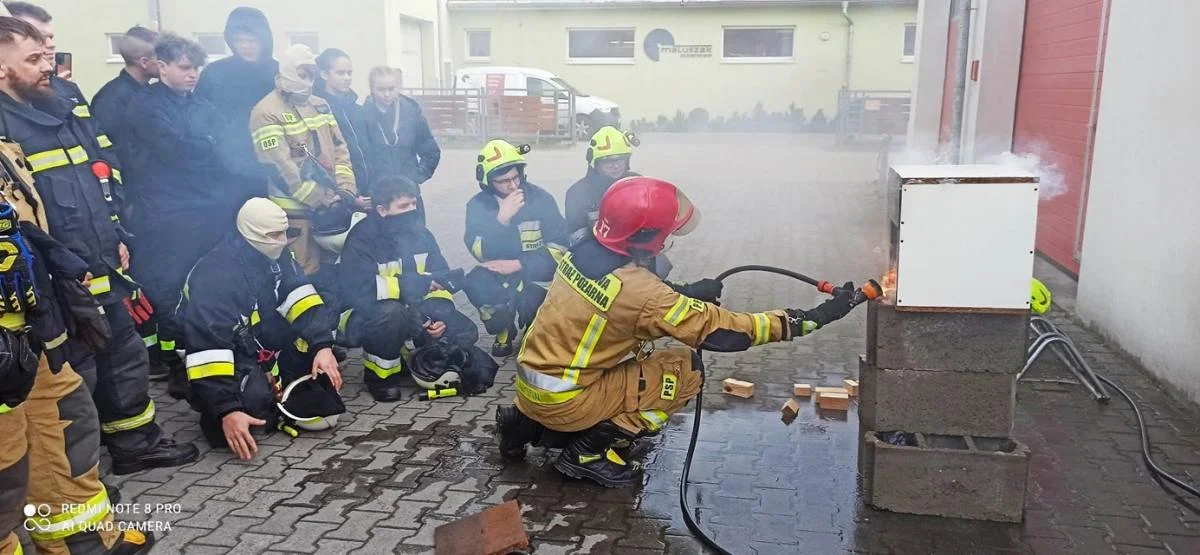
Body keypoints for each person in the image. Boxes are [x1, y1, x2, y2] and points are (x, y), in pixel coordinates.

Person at [495, 176, 862, 488]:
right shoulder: (642, 293)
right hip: (568, 402)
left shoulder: (580, 251)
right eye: (666, 233)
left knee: (614, 362)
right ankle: (588, 453)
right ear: (644, 237)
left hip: (530, 391)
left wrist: (685, 292)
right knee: (685, 370)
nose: (668, 239)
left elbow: (621, 298)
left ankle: (524, 426)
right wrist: (815, 316)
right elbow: (726, 332)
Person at [0, 14, 197, 475]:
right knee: (76, 375)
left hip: (101, 256)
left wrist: (117, 235)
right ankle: (78, 476)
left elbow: (98, 175)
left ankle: (136, 443)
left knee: (124, 353)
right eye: (33, 57)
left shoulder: (60, 103)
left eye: (47, 48)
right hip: (55, 278)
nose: (47, 62)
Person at [0, 15, 154, 554]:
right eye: (35, 57)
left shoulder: (40, 117)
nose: (51, 63)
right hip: (11, 338)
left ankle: (80, 542)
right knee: (6, 469)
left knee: (64, 426)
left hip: (38, 321)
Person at [123, 34, 242, 401]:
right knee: (168, 289)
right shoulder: (144, 105)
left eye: (197, 68)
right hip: (167, 214)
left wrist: (206, 146)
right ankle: (175, 364)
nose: (193, 75)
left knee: (203, 287)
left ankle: (203, 357)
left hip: (207, 210)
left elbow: (225, 145)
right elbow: (176, 151)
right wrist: (206, 146)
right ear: (162, 66)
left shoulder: (201, 104)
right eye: (185, 67)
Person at [179, 198, 345, 460]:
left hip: (258, 339)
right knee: (251, 406)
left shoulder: (274, 256)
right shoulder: (217, 275)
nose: (282, 241)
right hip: (215, 353)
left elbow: (302, 300)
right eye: (274, 235)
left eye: (284, 233)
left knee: (328, 305)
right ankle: (221, 414)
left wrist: (322, 346)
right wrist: (227, 410)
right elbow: (209, 349)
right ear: (250, 234)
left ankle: (279, 383)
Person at [338, 176, 496, 402]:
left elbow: (440, 276)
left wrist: (440, 314)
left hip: (416, 310)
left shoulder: (421, 234)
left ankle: (417, 358)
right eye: (403, 206)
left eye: (414, 204)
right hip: (365, 315)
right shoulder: (363, 238)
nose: (412, 210)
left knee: (464, 330)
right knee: (391, 315)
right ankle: (381, 378)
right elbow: (359, 290)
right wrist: (411, 285)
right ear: (382, 210)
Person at [250, 43, 363, 277]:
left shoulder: (320, 104)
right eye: (302, 75)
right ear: (287, 72)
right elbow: (280, 168)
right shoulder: (266, 111)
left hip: (333, 209)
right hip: (295, 217)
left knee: (335, 272)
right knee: (304, 274)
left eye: (311, 75)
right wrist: (322, 200)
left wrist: (346, 190)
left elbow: (340, 149)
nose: (308, 81)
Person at [463, 139, 565, 357]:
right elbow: (478, 250)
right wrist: (501, 220)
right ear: (488, 181)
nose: (513, 185)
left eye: (515, 176)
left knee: (534, 305)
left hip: (537, 275)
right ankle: (502, 330)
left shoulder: (541, 199)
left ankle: (535, 329)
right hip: (500, 277)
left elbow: (560, 248)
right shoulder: (477, 206)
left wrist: (519, 264)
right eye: (503, 181)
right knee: (476, 283)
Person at [193, 6, 278, 202]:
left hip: (272, 166)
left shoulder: (278, 74)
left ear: (264, 40)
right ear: (231, 41)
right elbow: (199, 118)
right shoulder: (214, 74)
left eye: (252, 40)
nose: (246, 46)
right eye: (240, 40)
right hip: (226, 167)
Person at [361, 66, 440, 215]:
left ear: (398, 87)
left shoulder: (411, 113)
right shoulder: (362, 116)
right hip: (379, 198)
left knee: (414, 237)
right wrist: (368, 188)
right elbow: (360, 159)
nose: (387, 94)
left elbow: (431, 152)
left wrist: (415, 178)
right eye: (381, 89)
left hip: (408, 197)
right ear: (372, 89)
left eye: (391, 89)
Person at [91, 25, 159, 165]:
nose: (166, 63)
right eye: (161, 58)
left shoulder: (149, 91)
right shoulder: (112, 99)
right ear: (144, 62)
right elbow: (115, 151)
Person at [564, 126, 639, 242]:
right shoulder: (577, 193)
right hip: (596, 251)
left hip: (635, 247)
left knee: (661, 260)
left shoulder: (638, 184)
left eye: (620, 159)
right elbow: (578, 240)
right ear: (595, 163)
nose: (616, 166)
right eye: (608, 160)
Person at [314, 48, 370, 189]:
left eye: (349, 73)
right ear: (324, 74)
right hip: (338, 189)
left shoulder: (358, 110)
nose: (347, 78)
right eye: (340, 73)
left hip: (367, 188)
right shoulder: (317, 110)